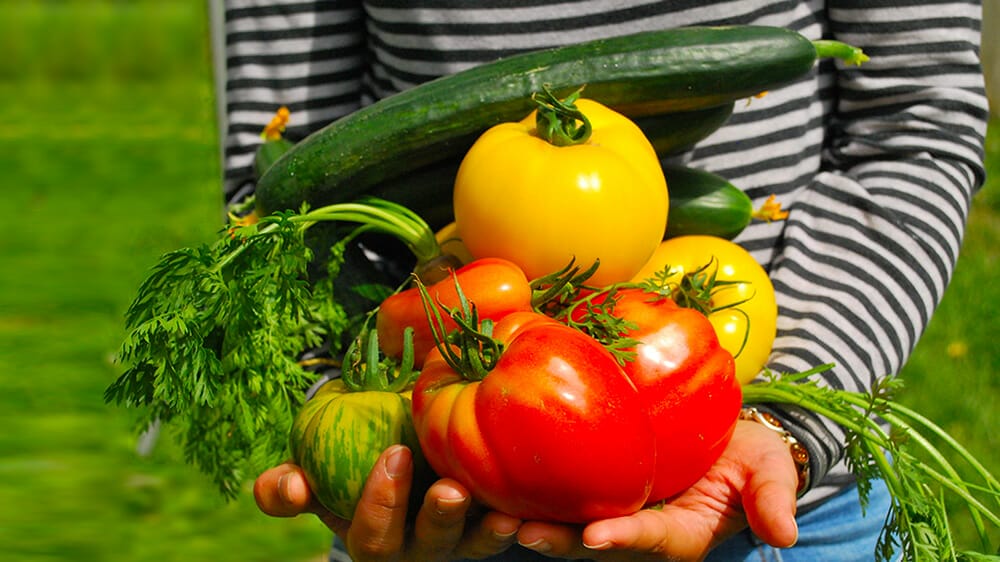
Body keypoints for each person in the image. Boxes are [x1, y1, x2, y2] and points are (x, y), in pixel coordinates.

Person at [215, 1, 989, 560]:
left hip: (780, 501)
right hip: (442, 481)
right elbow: (284, 188)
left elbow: (916, 128)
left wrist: (787, 419)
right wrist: (345, 412)